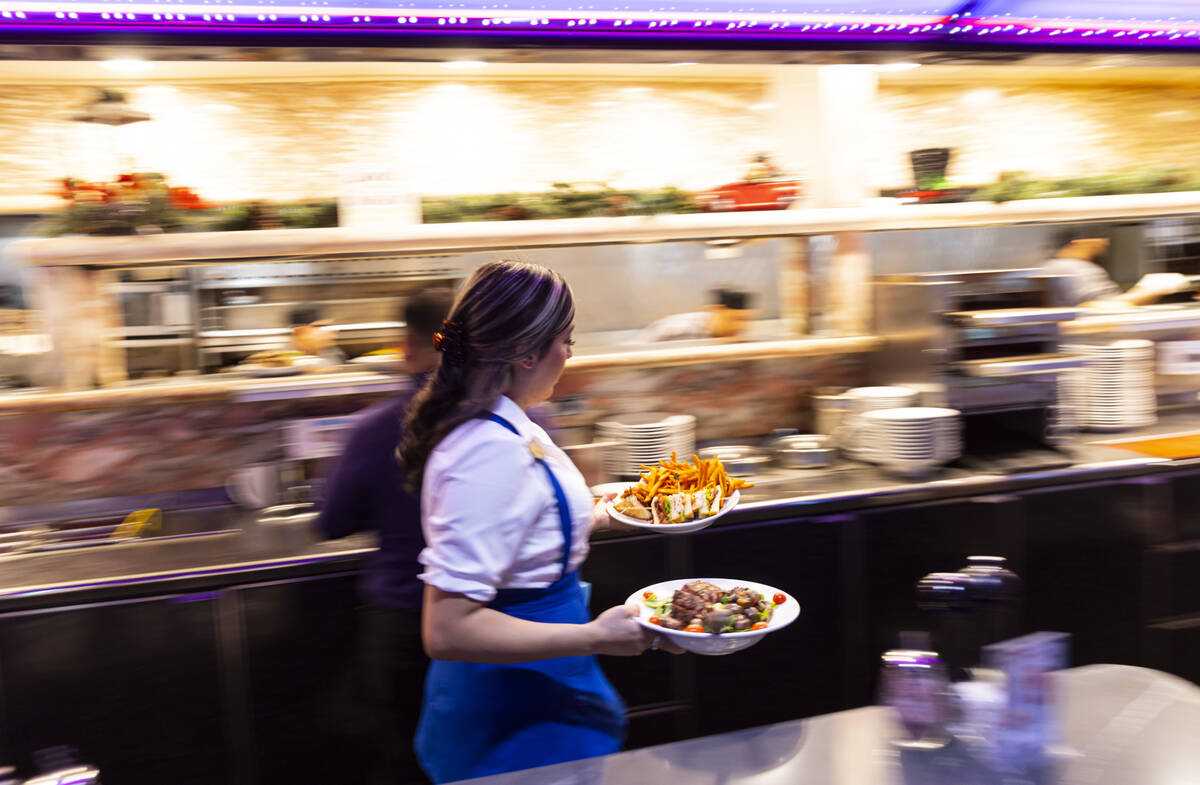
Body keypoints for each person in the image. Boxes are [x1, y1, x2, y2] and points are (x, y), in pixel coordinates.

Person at [400, 260, 682, 784]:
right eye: (566, 340)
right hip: (512, 710)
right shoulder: (486, 451)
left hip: (542, 686)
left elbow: (524, 531)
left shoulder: (509, 423)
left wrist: (606, 514)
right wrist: (595, 637)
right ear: (527, 352)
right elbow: (447, 629)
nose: (570, 354)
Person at [315, 288, 454, 785]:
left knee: (406, 761)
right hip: (499, 622)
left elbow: (332, 521)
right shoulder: (522, 419)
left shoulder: (377, 428)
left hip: (403, 624)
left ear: (406, 346)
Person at [1043, 230, 1189, 308]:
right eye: (1096, 244)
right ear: (1076, 244)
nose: (1101, 248)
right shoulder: (1076, 268)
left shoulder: (1050, 266)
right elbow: (1109, 306)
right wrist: (1155, 289)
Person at [636, 287, 757, 343]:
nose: (741, 327)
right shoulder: (673, 330)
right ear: (715, 310)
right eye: (735, 319)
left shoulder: (733, 337)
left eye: (746, 320)